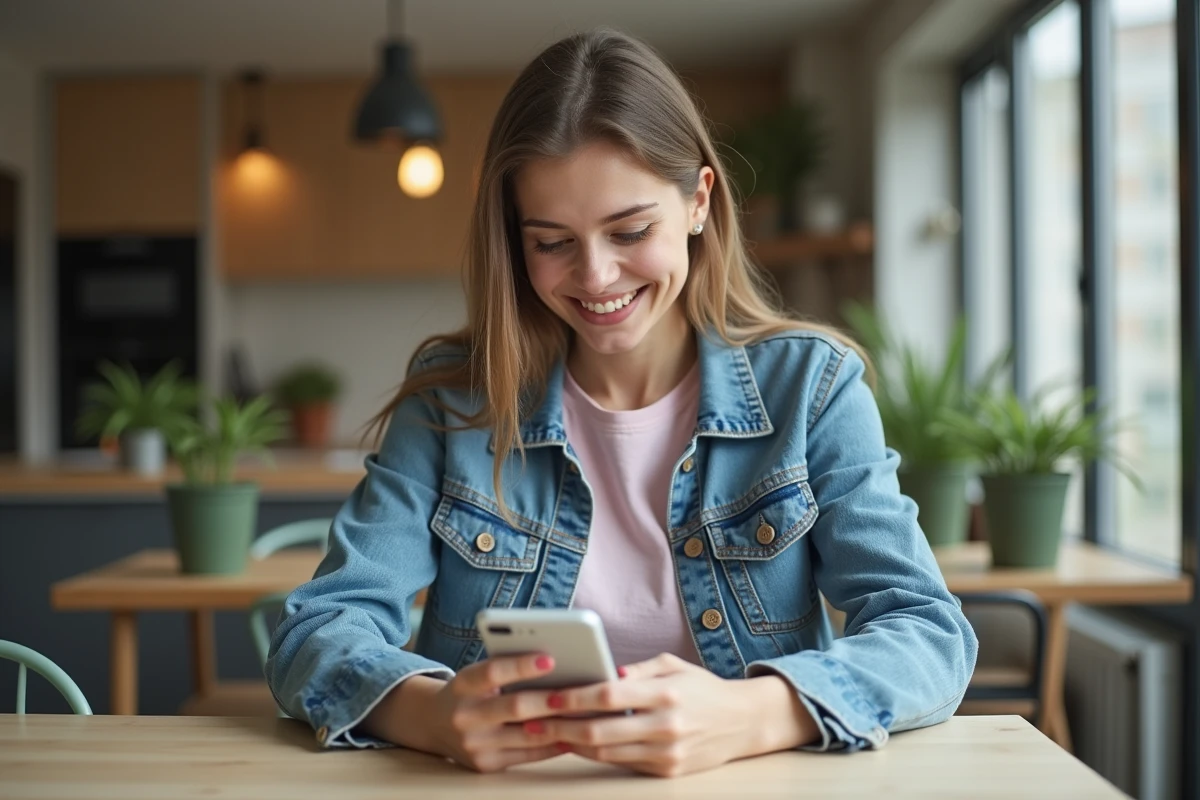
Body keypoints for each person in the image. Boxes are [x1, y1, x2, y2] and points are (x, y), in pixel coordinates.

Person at [266, 28, 977, 778]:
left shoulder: (813, 388)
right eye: (551, 242)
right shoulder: (455, 399)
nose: (596, 276)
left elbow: (928, 633)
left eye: (629, 230)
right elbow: (319, 627)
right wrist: (430, 714)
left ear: (699, 201)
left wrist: (750, 715)